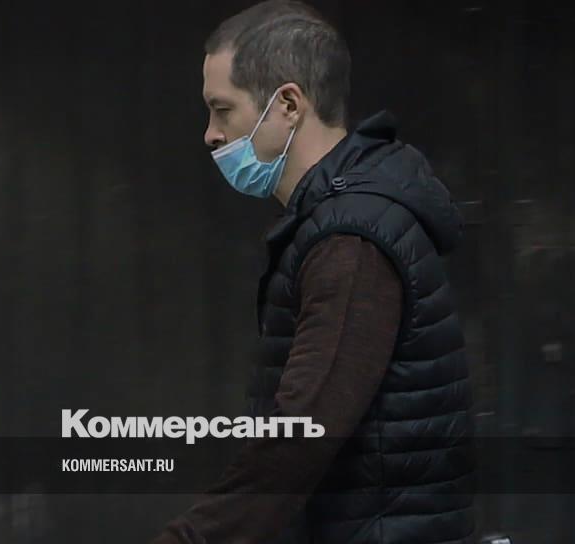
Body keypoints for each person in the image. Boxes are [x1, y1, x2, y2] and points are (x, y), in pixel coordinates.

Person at [150, 1, 474, 542]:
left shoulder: (350, 238)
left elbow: (300, 437)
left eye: (222, 109)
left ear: (288, 105)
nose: (210, 133)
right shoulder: (338, 219)